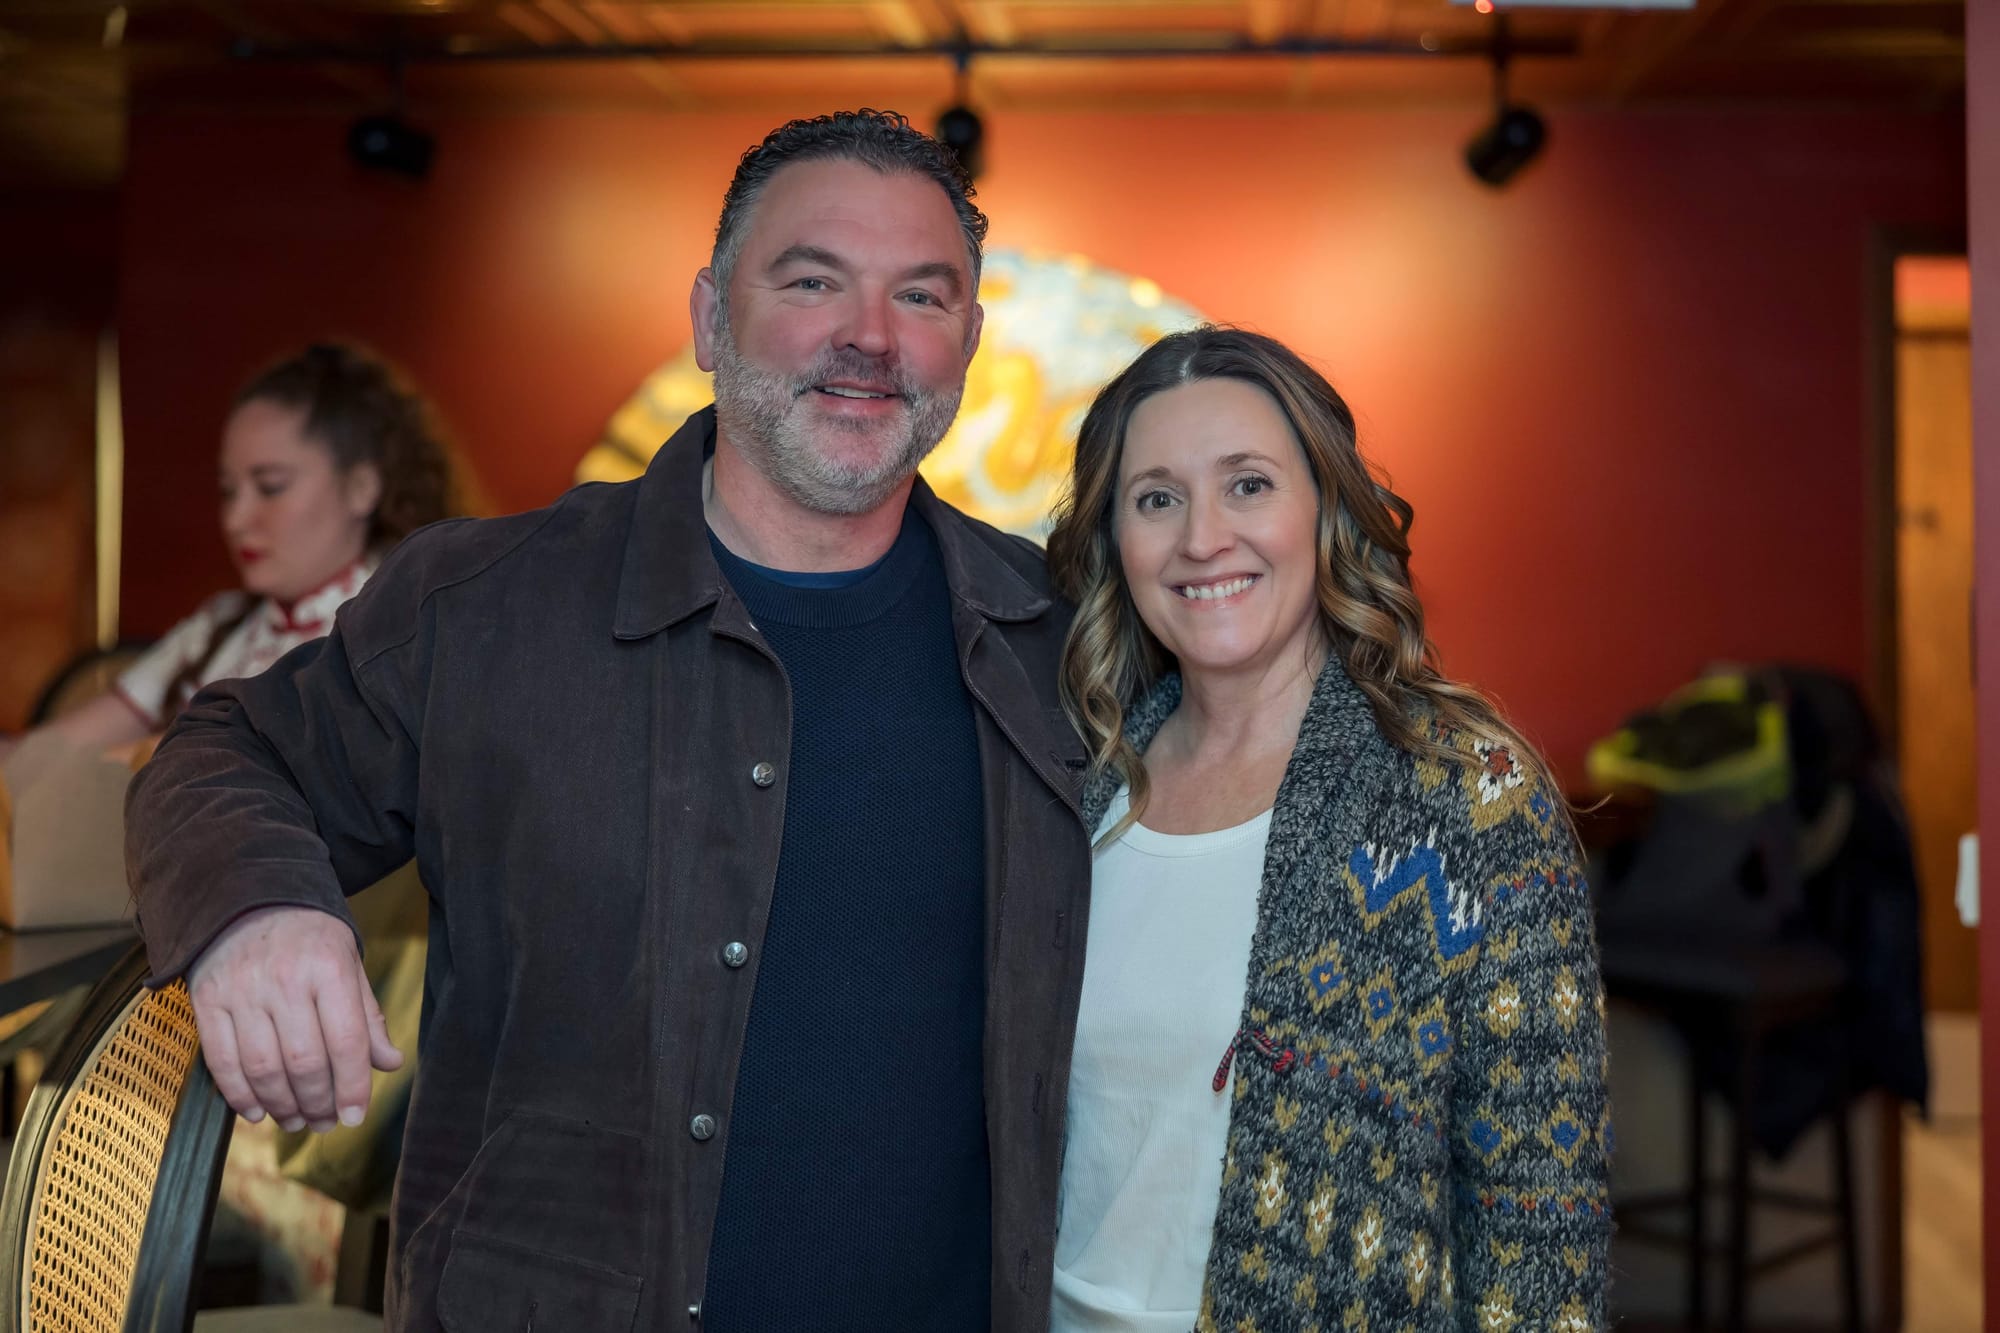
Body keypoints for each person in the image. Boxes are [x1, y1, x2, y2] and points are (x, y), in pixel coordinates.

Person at [125, 110, 1092, 1332]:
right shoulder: (485, 603)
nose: (868, 336)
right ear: (707, 317)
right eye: (811, 280)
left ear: (968, 340)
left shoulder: (1053, 640)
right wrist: (256, 908)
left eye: (922, 295)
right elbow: (225, 752)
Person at [1044, 327, 1610, 1331]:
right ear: (1113, 540)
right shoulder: (1067, 780)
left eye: (1247, 484)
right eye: (1155, 497)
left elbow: (1540, 1217)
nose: (1201, 537)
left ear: (1324, 510)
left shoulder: (1460, 792)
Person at [0, 341, 465, 766]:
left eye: (270, 486)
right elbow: (56, 747)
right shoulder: (222, 626)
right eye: (228, 492)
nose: (236, 519)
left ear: (362, 487)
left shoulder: (404, 635)